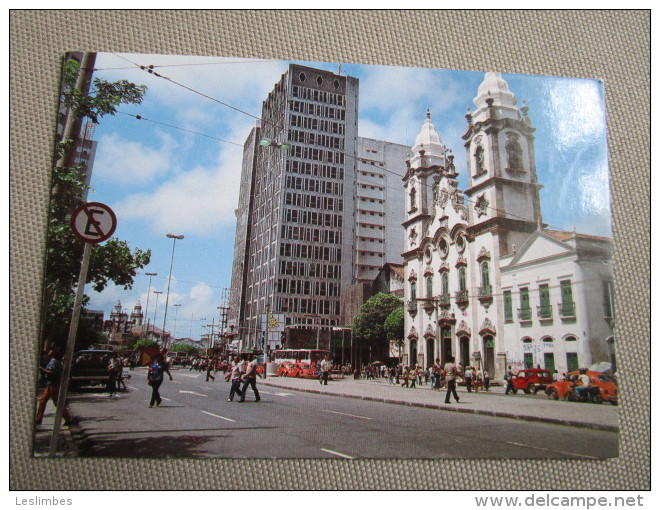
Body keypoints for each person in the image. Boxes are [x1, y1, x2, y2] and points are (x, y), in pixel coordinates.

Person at [35, 347, 74, 425]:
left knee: (56, 402)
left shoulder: (53, 361)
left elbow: (50, 372)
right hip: (51, 383)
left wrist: (40, 369)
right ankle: (38, 419)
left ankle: (68, 418)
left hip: (54, 384)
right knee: (42, 400)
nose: (48, 352)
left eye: (50, 351)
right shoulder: (55, 361)